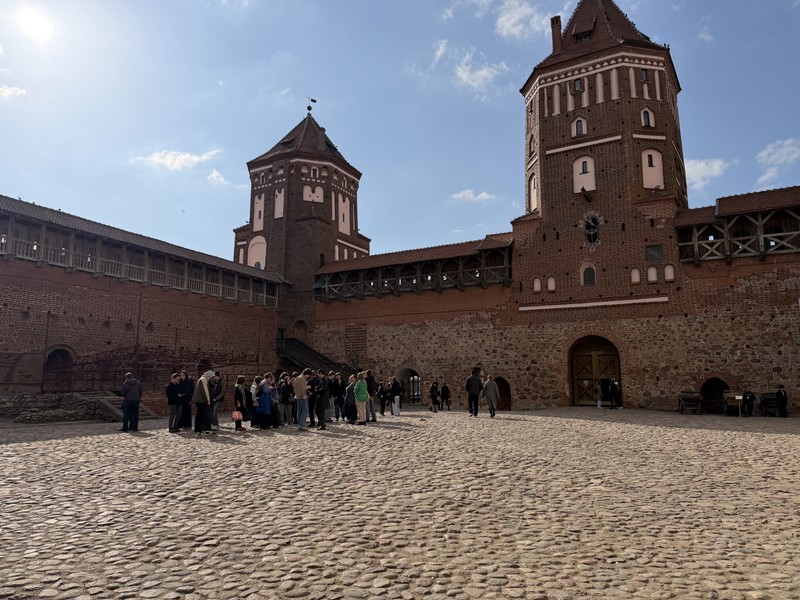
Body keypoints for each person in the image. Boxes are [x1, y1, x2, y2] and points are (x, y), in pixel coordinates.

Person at [193, 370, 216, 435]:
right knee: (206, 415)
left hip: (199, 401)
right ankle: (207, 429)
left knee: (199, 416)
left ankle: (198, 430)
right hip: (202, 401)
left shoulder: (202, 379)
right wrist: (208, 400)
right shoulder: (203, 380)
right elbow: (205, 391)